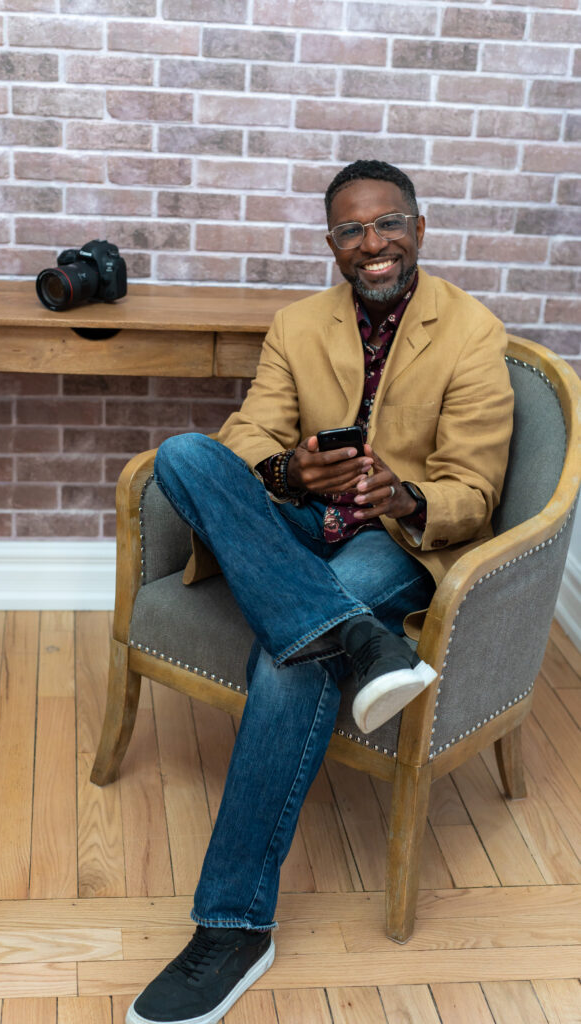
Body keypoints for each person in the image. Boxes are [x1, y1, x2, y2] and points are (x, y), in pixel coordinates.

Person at [126, 160, 514, 1024]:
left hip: (393, 543)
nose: (372, 244)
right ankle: (359, 639)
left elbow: (473, 494)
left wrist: (406, 498)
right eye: (351, 230)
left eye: (388, 224)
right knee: (188, 453)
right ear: (331, 243)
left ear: (418, 226)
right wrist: (286, 470)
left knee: (289, 661)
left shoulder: (472, 333)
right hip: (299, 525)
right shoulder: (297, 325)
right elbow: (245, 436)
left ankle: (233, 926)